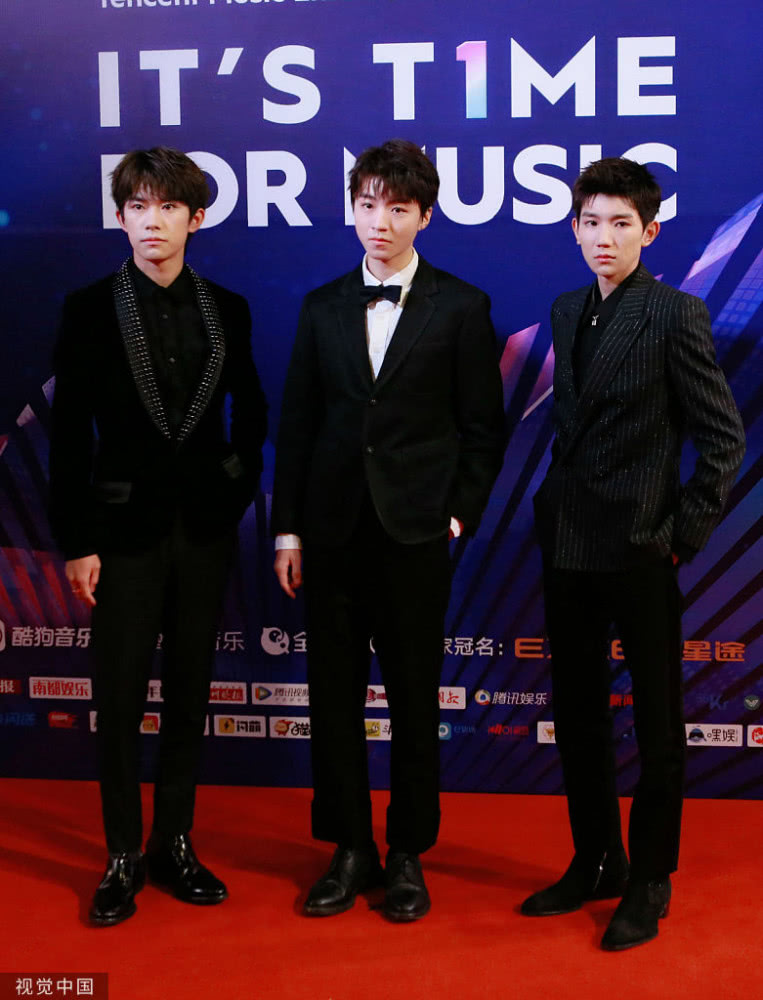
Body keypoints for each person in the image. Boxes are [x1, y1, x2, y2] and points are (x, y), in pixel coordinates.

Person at [272, 138, 505, 921]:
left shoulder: (462, 306)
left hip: (414, 535)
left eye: (397, 208)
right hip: (330, 534)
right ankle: (348, 847)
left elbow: (483, 428)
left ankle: (407, 851)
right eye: (367, 205)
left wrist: (456, 512)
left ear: (424, 216)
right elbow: (297, 426)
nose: (379, 222)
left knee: (412, 699)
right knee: (332, 698)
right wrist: (287, 532)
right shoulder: (320, 305)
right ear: (352, 209)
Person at [526, 157, 745, 949]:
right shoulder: (565, 309)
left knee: (656, 723)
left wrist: (680, 536)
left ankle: (649, 877)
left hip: (642, 545)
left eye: (621, 223)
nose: (604, 237)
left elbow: (721, 438)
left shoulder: (674, 313)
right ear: (573, 228)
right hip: (566, 542)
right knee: (577, 715)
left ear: (648, 232)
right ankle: (595, 860)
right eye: (591, 222)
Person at [48, 147, 267, 926]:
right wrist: (78, 541)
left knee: (189, 691)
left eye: (168, 207)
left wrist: (231, 487)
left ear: (194, 218)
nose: (152, 221)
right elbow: (68, 434)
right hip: (120, 535)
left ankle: (173, 842)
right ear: (120, 216)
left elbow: (250, 412)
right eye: (138, 206)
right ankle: (120, 855)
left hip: (204, 532)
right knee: (117, 696)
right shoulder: (87, 307)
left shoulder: (228, 307)